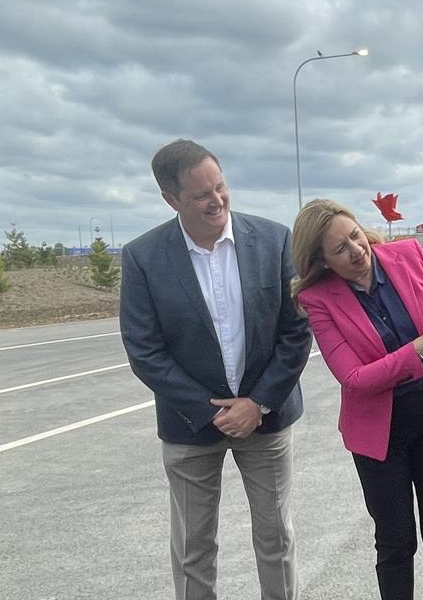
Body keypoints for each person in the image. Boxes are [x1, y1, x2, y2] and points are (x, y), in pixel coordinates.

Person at [120, 139, 312, 600]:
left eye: (221, 186)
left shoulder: (273, 240)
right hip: (190, 428)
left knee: (276, 539)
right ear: (171, 199)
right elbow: (144, 350)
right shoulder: (143, 257)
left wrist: (259, 402)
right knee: (192, 548)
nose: (217, 200)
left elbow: (295, 331)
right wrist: (210, 412)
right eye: (201, 195)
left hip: (266, 420)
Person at [290, 199, 423, 600]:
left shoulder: (409, 254)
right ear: (321, 261)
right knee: (395, 544)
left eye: (355, 236)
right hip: (380, 434)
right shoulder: (319, 300)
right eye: (340, 249)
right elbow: (355, 379)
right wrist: (422, 345)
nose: (356, 250)